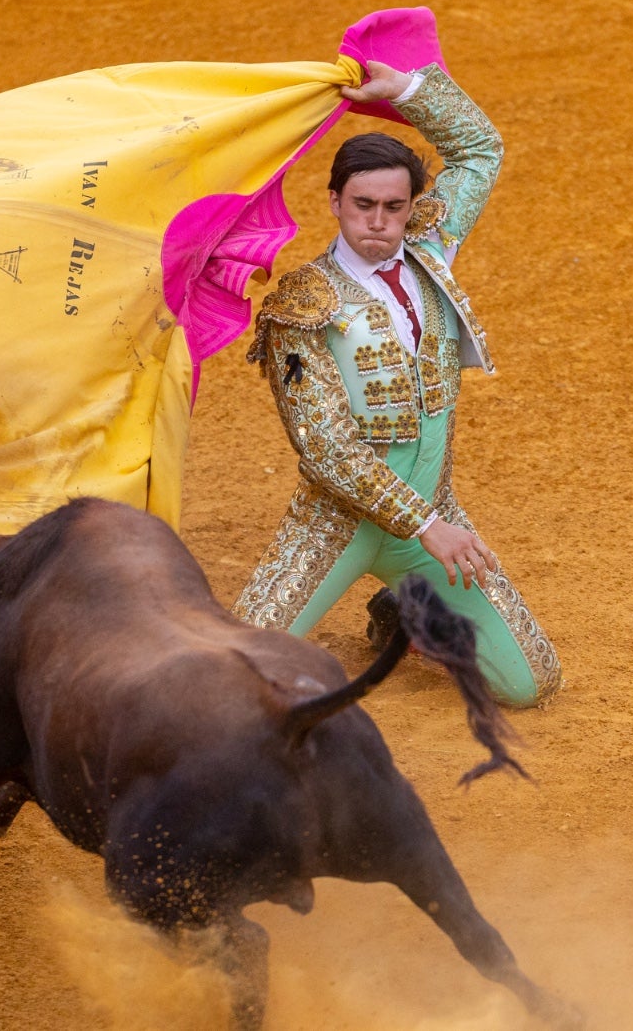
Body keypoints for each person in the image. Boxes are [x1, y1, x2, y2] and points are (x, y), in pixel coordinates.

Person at [233, 59, 560, 708]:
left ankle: (409, 613)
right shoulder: (303, 305)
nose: (378, 221)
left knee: (528, 684)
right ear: (334, 202)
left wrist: (407, 91)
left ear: (412, 207)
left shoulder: (431, 247)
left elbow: (478, 148)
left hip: (431, 524)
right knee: (224, 684)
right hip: (335, 529)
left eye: (393, 206)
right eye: (363, 205)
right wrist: (428, 527)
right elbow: (325, 446)